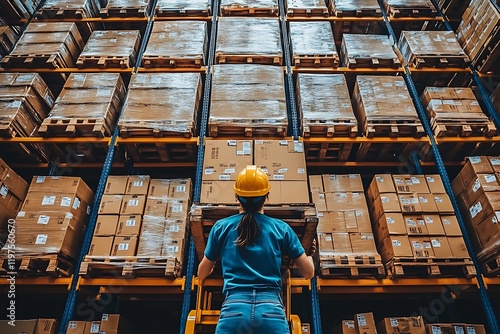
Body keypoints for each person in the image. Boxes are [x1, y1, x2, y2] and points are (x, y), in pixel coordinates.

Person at [197, 165, 315, 334]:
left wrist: (213, 265)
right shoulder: (281, 229)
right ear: (266, 197)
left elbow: (202, 273)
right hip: (270, 312)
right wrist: (309, 255)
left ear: (237, 197)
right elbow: (308, 273)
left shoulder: (221, 228)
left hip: (234, 311)